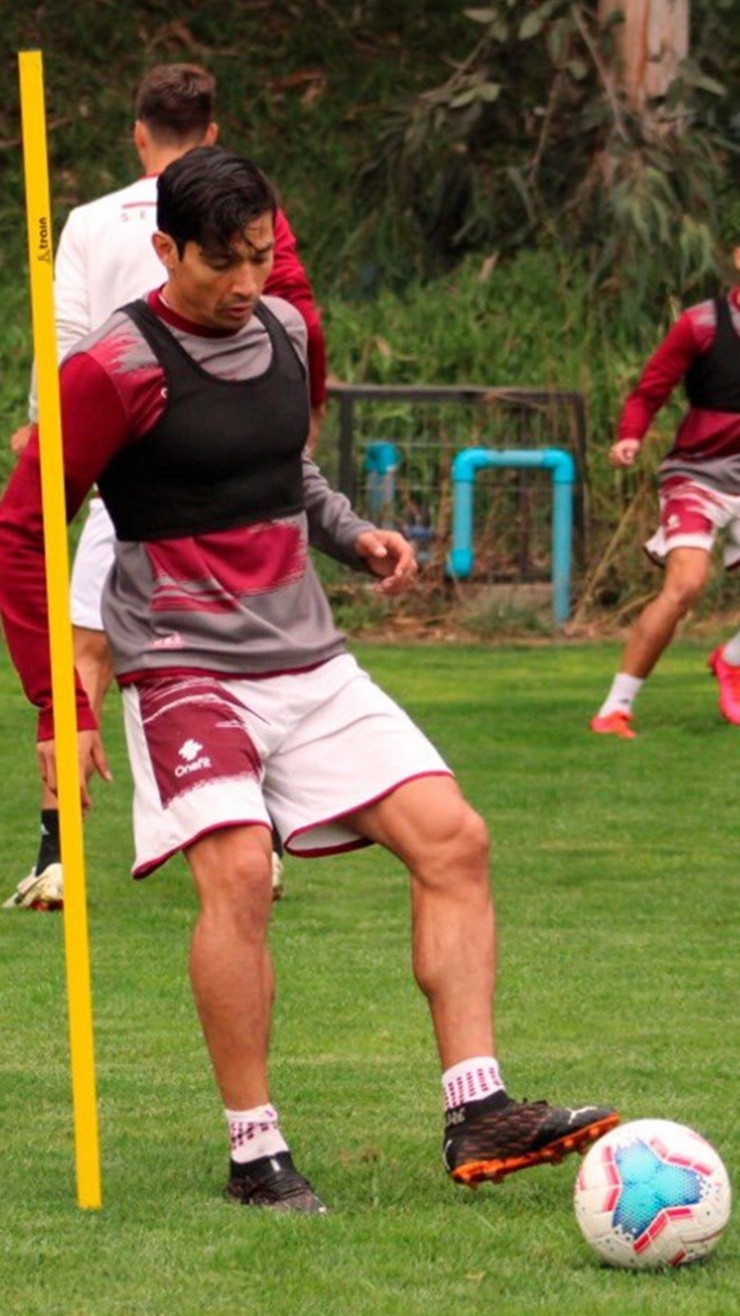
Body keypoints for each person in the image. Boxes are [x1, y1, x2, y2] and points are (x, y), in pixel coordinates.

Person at [0, 147, 618, 1211]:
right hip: (184, 662)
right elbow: (22, 523)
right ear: (164, 251)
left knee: (453, 836)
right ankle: (255, 1150)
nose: (246, 285)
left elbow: (289, 466)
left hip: (307, 654)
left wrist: (352, 534)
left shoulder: (286, 327)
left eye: (261, 257)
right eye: (222, 265)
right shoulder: (111, 366)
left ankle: (478, 1108)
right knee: (238, 872)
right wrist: (60, 701)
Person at [4, 62, 327, 910]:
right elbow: (296, 314)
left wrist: (44, 432)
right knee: (238, 647)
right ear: (210, 132)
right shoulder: (248, 215)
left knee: (87, 653)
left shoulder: (86, 220)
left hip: (117, 471)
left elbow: (64, 339)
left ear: (139, 132)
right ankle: (251, 834)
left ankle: (59, 854)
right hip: (219, 467)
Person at [591, 244, 740, 738]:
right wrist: (630, 434)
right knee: (686, 585)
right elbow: (650, 389)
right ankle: (615, 709)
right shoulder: (700, 324)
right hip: (698, 475)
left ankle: (731, 660)